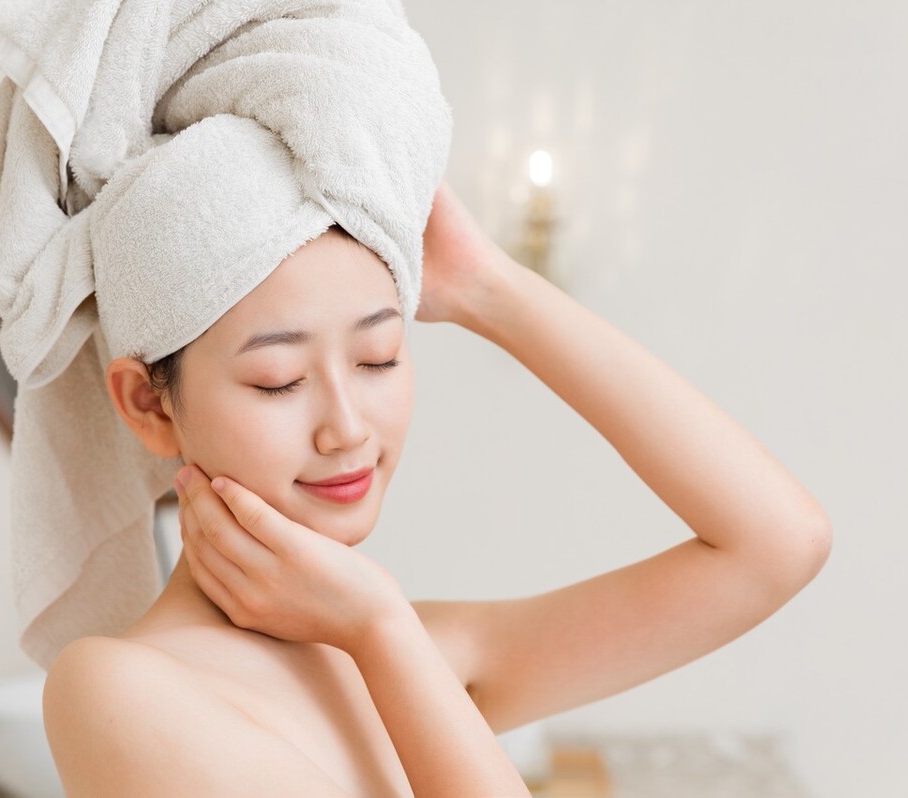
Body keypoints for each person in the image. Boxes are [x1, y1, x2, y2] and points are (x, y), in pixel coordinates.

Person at [41, 182, 833, 797]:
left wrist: (492, 289)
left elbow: (779, 544)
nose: (347, 429)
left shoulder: (406, 650)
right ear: (149, 405)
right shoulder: (115, 691)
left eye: (379, 357)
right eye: (278, 379)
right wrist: (380, 627)